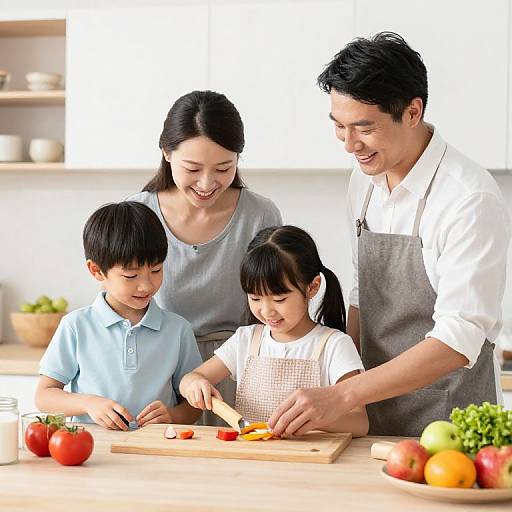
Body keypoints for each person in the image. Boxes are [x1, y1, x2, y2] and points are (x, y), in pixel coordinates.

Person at [268, 32, 510, 437]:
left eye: (364, 128)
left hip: (445, 419)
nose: (349, 145)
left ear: (412, 112)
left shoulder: (468, 198)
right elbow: (364, 293)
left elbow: (458, 339)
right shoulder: (363, 180)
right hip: (370, 411)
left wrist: (344, 396)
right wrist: (339, 376)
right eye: (339, 127)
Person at [130, 90, 282, 425]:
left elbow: (275, 303)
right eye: (193, 168)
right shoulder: (139, 213)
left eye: (223, 168)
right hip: (158, 372)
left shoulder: (259, 215)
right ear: (167, 153)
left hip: (237, 371)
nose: (207, 183)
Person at [179, 225, 369, 436]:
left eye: (279, 299)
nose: (267, 310)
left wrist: (315, 419)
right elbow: (190, 378)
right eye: (255, 298)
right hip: (253, 461)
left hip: (311, 462)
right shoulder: (246, 339)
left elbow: (359, 422)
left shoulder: (334, 345)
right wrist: (194, 385)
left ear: (312, 287)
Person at [35, 201, 202, 430]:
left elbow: (195, 405)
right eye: (131, 276)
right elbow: (44, 396)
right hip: (91, 449)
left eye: (156, 270)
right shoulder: (76, 326)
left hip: (158, 449)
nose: (146, 286)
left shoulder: (177, 329)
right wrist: (89, 403)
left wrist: (173, 416)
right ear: (96, 270)